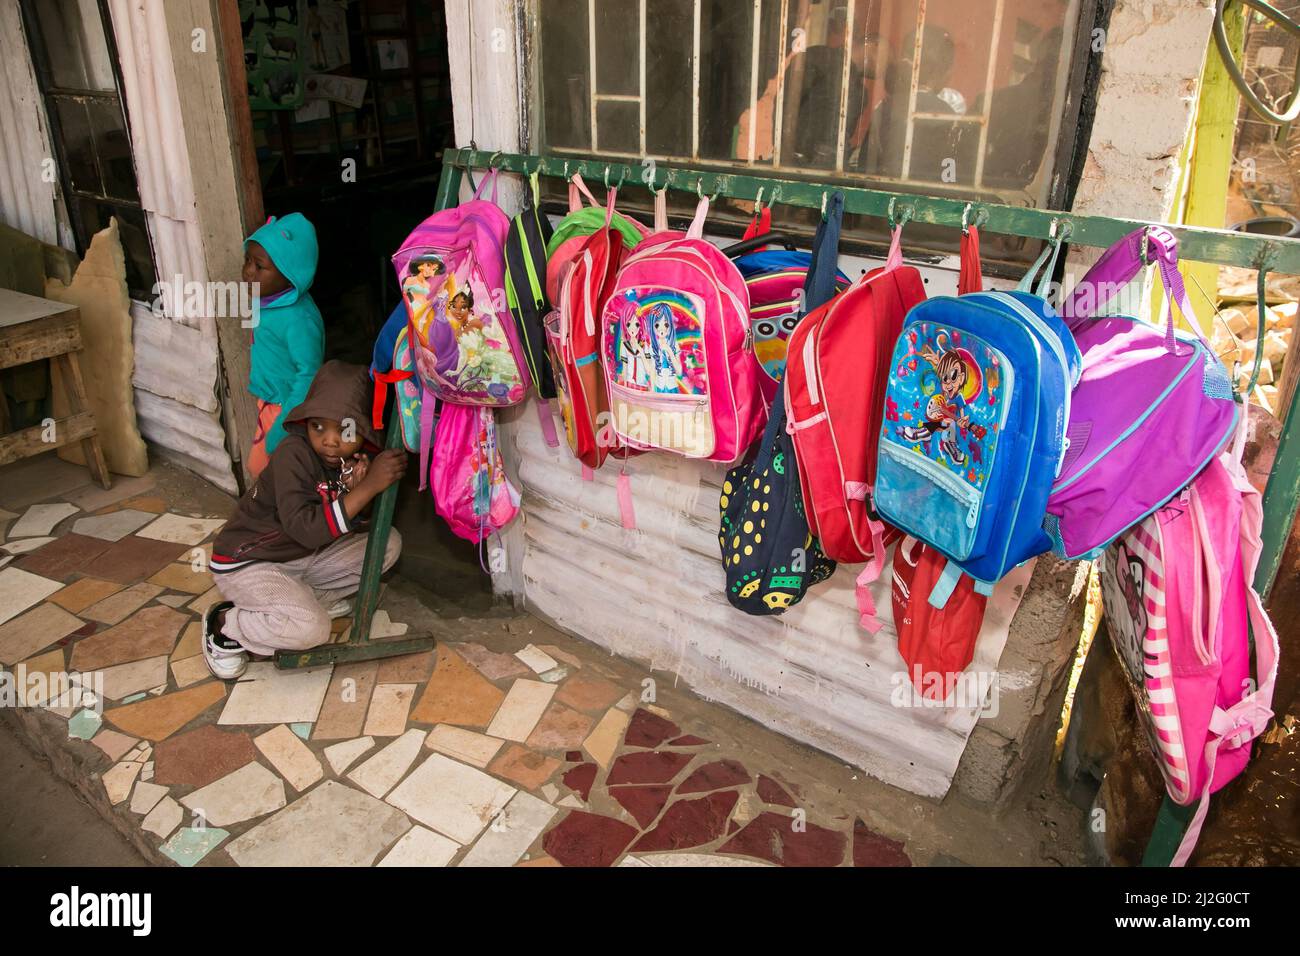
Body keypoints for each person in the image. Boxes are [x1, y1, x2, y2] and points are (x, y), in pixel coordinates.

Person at [203, 361, 407, 678]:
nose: (329, 440)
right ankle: (226, 623)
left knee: (387, 544)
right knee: (311, 630)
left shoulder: (350, 461)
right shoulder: (293, 454)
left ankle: (304, 598)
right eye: (318, 427)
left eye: (345, 429)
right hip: (251, 563)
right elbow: (305, 529)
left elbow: (348, 523)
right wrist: (367, 488)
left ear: (363, 430)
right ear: (306, 423)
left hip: (302, 557)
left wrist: (358, 491)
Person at [243, 212, 325, 479]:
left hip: (286, 409)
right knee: (263, 472)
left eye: (259, 266)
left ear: (291, 275)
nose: (248, 271)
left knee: (268, 472)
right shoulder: (267, 301)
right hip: (269, 404)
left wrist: (282, 427)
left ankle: (285, 518)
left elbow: (309, 375)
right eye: (248, 261)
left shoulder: (299, 320)